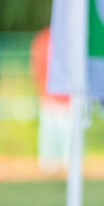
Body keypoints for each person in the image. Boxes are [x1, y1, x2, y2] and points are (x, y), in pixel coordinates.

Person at [31, 28, 71, 174]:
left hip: (66, 97)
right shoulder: (45, 39)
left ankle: (65, 165)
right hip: (49, 94)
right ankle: (49, 166)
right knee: (50, 134)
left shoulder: (67, 38)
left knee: (65, 134)